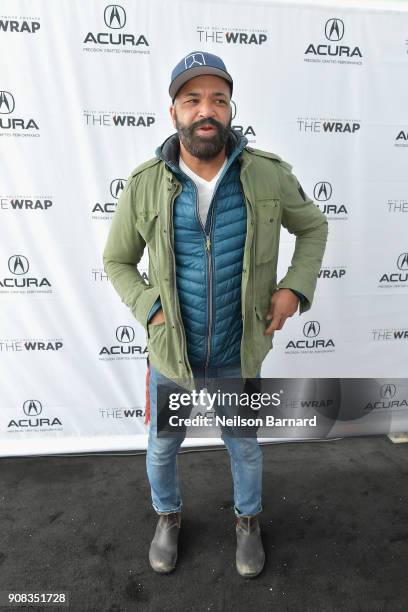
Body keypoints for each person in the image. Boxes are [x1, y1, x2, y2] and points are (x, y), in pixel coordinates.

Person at [102, 50, 328, 578]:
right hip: (171, 354)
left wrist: (294, 288)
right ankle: (167, 516)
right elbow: (117, 260)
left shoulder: (267, 176)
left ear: (231, 109)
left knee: (244, 446)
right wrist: (149, 306)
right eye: (193, 100)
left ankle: (248, 521)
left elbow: (313, 226)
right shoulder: (144, 185)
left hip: (235, 348)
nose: (207, 110)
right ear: (173, 112)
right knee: (162, 447)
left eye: (218, 100)